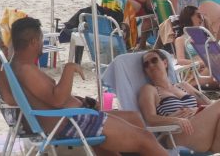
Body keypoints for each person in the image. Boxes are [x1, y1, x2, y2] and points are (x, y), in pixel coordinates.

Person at [10, 17, 168, 155]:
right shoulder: (27, 70)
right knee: (145, 138)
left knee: (134, 119)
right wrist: (69, 68)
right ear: (33, 42)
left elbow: (50, 98)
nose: (41, 46)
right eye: (40, 41)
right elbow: (57, 99)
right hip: (71, 122)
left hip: (72, 118)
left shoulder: (19, 66)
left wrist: (82, 102)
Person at [138, 49, 220, 153]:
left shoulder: (183, 86)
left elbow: (209, 105)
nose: (150, 65)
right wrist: (176, 120)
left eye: (154, 60)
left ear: (165, 63)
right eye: (146, 65)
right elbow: (150, 118)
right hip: (175, 133)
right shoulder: (149, 89)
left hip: (199, 129)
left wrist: (195, 109)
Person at [173, 5, 218, 87]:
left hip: (207, 69)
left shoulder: (203, 36)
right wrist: (200, 63)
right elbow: (180, 60)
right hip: (195, 72)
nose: (201, 18)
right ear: (189, 17)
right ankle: (190, 85)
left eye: (201, 16)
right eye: (198, 15)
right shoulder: (180, 39)